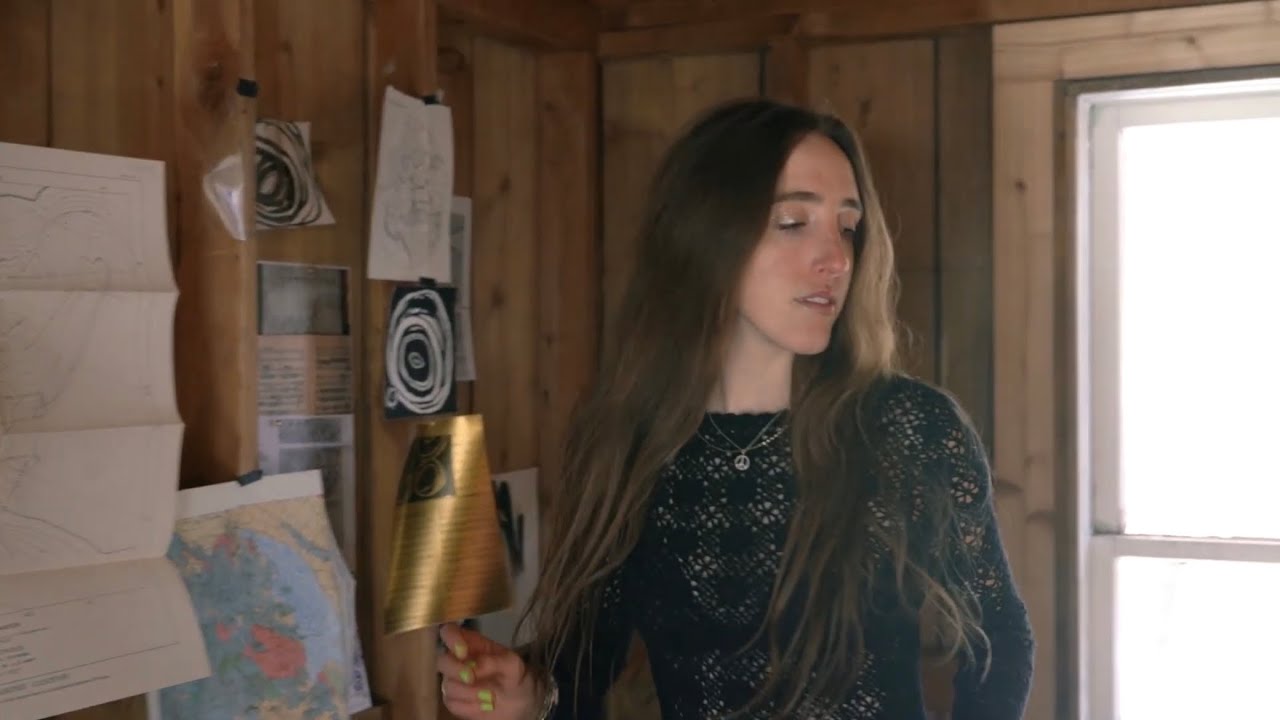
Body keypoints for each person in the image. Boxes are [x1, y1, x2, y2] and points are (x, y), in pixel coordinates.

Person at [437, 97, 1035, 720]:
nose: (835, 258)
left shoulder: (909, 427)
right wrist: (530, 692)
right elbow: (587, 659)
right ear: (706, 235)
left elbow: (999, 638)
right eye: (794, 222)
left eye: (847, 227)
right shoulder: (630, 439)